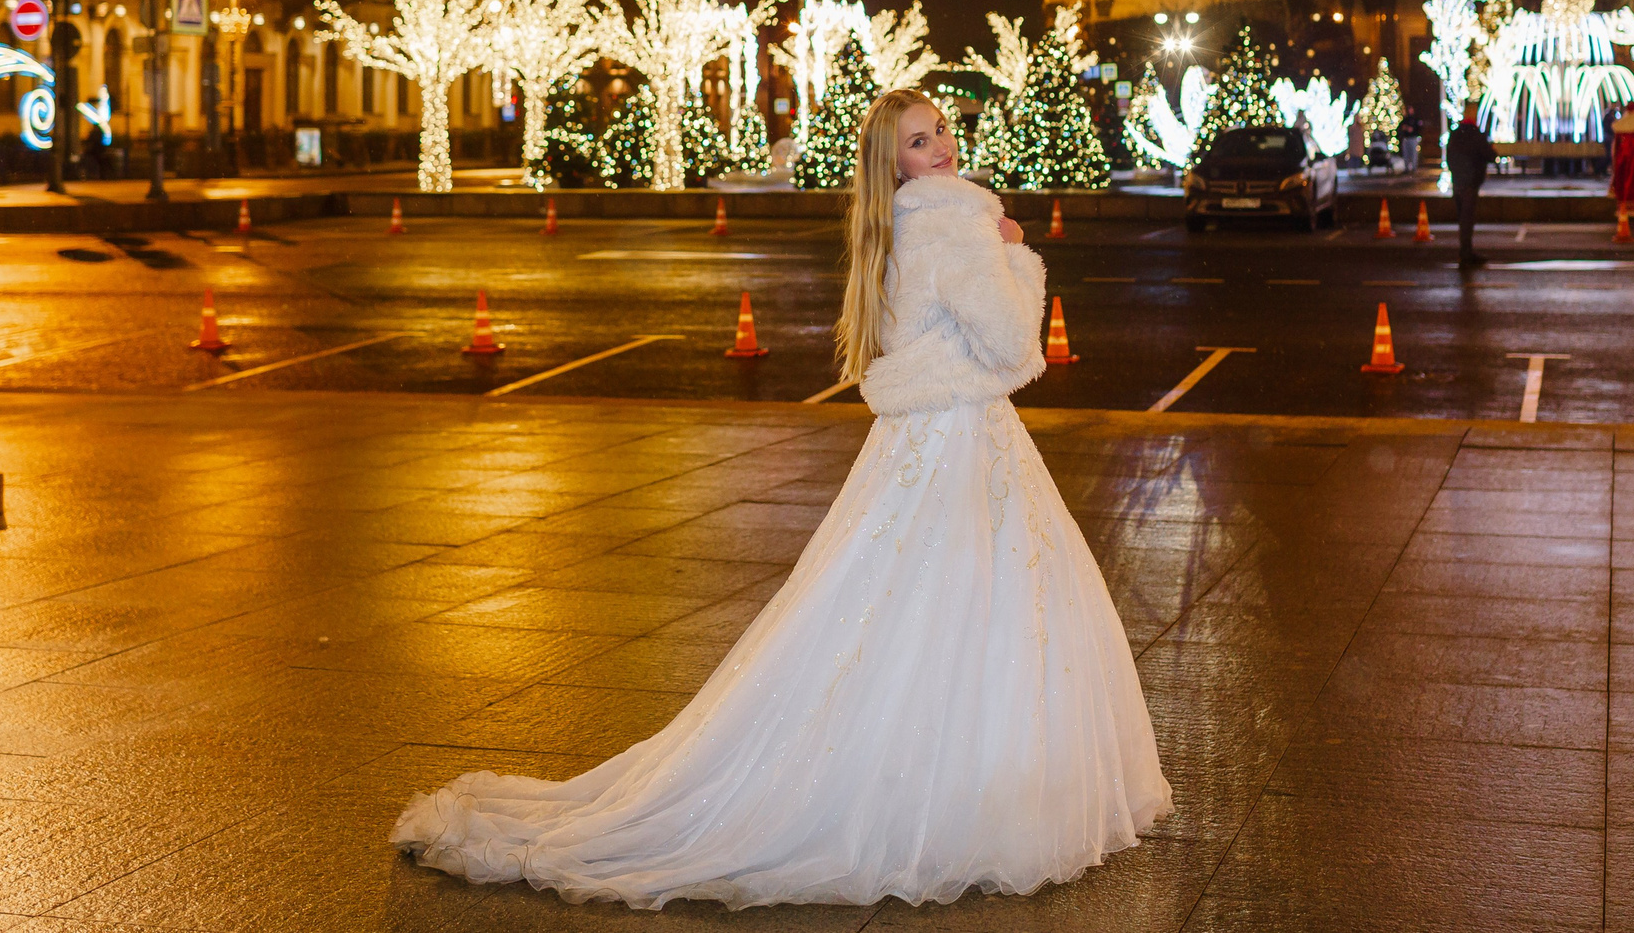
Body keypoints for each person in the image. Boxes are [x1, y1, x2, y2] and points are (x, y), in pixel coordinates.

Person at [393, 89, 1171, 909]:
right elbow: (1015, 346)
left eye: (940, 129)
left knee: (889, 610)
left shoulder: (897, 224)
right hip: (964, 444)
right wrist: (1016, 253)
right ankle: (976, 790)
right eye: (919, 140)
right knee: (984, 608)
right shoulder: (955, 219)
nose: (940, 145)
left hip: (915, 446)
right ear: (894, 163)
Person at [1446, 104, 1494, 269]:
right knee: (1467, 220)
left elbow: (1449, 157)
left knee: (1462, 219)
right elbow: (1490, 155)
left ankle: (1465, 251)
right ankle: (1466, 254)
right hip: (1470, 183)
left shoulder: (1455, 134)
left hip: (1458, 182)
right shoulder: (1475, 135)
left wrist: (1456, 174)